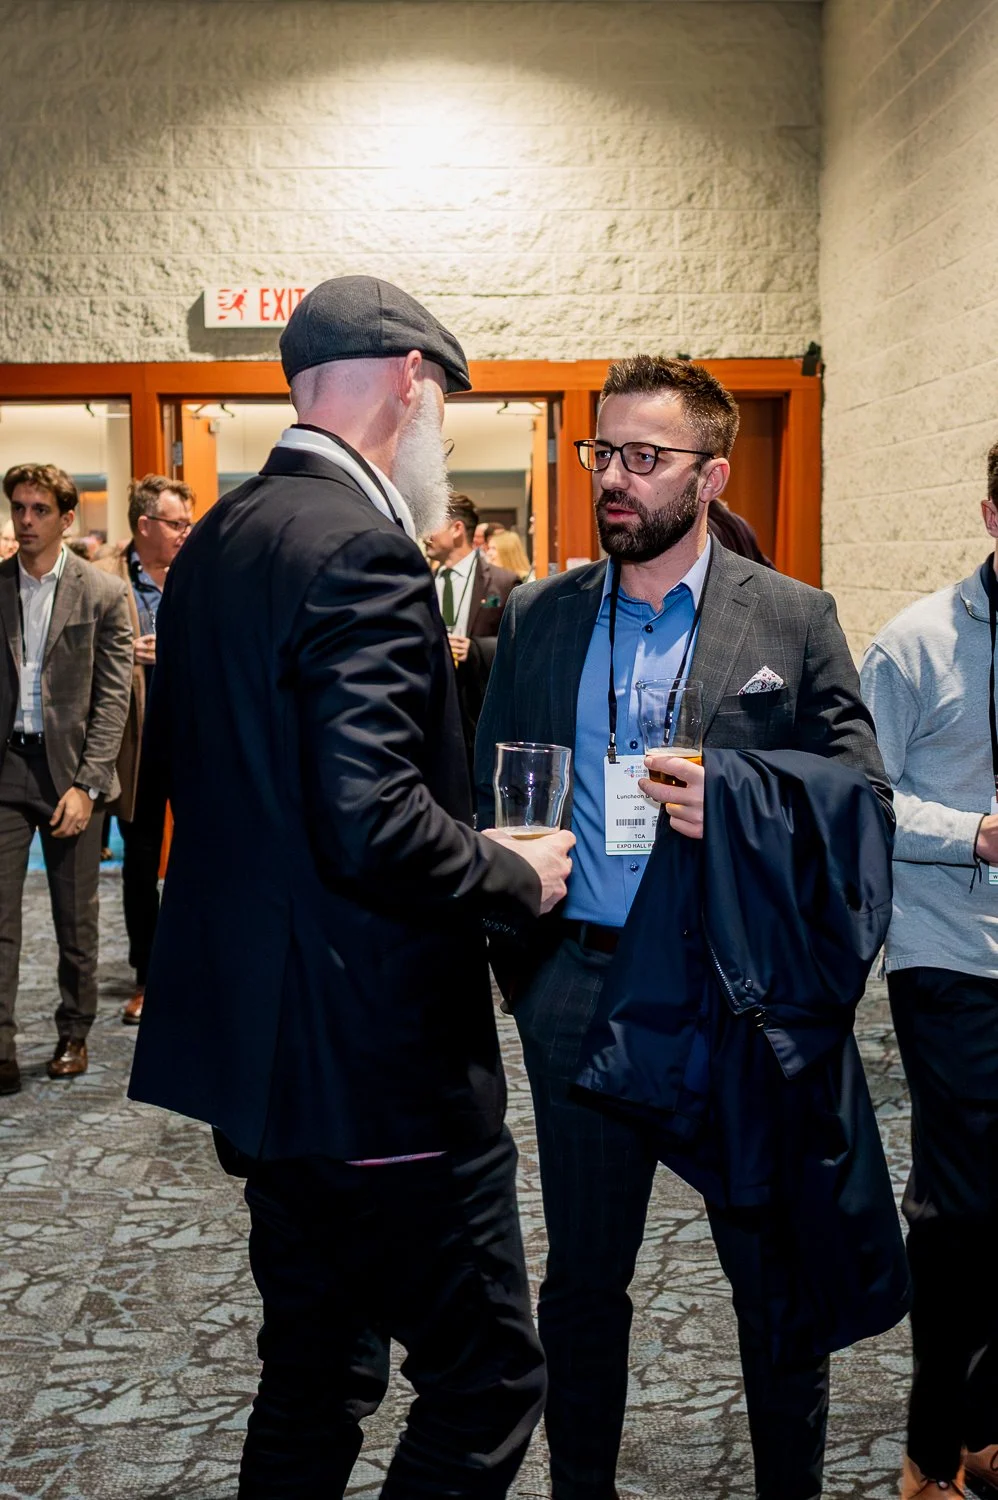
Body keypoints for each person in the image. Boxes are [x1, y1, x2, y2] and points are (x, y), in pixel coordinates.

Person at [128, 275, 575, 1499]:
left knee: (315, 1372)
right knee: (485, 1381)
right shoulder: (363, 548)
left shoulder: (219, 537)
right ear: (410, 384)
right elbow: (369, 816)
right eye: (439, 403)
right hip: (373, 1064)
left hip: (260, 1057)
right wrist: (510, 867)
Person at [476, 354, 894, 1500]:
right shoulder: (540, 616)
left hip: (729, 995)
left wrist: (742, 799)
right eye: (600, 452)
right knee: (583, 1281)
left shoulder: (791, 617)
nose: (612, 477)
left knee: (769, 1270)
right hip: (580, 989)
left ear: (709, 477)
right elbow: (488, 783)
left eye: (644, 457)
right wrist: (525, 963)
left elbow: (861, 792)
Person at [860, 441, 998, 1500]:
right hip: (950, 958)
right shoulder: (914, 646)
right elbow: (861, 796)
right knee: (961, 1213)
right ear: (991, 516)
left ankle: (987, 1428)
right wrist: (975, 833)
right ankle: (929, 1451)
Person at [0, 463, 132, 1095]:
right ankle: (0, 1047)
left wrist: (88, 783)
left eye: (39, 510)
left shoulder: (101, 591)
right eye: (18, 509)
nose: (26, 521)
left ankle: (74, 1031)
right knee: (1, 923)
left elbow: (113, 698)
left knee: (75, 920)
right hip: (6, 769)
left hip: (72, 776)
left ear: (66, 518)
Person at [95, 474, 193, 1024]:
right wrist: (122, 652)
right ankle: (147, 973)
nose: (185, 533)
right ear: (144, 525)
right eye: (176, 523)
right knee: (139, 861)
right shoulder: (106, 576)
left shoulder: (199, 571)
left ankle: (197, 963)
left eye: (188, 523)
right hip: (132, 741)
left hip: (192, 735)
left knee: (201, 854)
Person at [423, 494, 519, 771]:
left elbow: (521, 646)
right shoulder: (421, 582)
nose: (425, 535)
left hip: (480, 713)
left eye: (432, 525)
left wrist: (476, 648)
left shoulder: (503, 582)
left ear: (457, 529)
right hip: (434, 715)